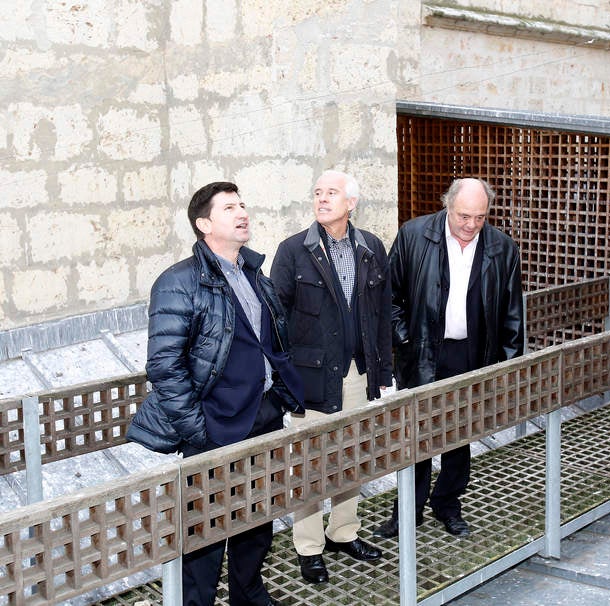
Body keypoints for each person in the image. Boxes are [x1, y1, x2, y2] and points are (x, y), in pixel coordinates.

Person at [127, 181, 303, 606]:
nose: (242, 213)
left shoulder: (252, 272)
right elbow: (164, 366)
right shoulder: (178, 282)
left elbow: (269, 340)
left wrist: (279, 396)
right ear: (204, 224)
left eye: (242, 204)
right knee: (204, 530)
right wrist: (196, 429)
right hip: (213, 425)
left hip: (262, 415)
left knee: (257, 514)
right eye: (229, 208)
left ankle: (248, 593)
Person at [373, 177, 524, 539]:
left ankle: (448, 504)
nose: (471, 225)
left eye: (480, 217)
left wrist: (507, 367)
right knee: (417, 435)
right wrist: (405, 338)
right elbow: (387, 298)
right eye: (464, 216)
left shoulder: (502, 247)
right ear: (447, 206)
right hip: (422, 351)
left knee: (460, 434)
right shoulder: (414, 235)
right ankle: (407, 511)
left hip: (472, 353)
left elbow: (512, 314)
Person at [270, 170, 391, 584]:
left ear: (351, 203)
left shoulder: (371, 247)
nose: (322, 199)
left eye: (332, 193)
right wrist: (285, 379)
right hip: (311, 379)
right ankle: (308, 547)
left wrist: (383, 372)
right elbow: (276, 318)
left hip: (357, 372)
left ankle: (343, 532)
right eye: (318, 193)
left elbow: (381, 315)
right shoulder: (293, 250)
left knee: (350, 457)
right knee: (310, 464)